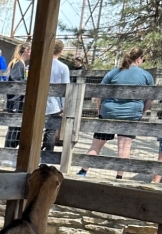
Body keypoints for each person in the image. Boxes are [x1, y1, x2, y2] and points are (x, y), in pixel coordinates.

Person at [79, 46, 154, 180]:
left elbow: (99, 94)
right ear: (139, 59)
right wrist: (141, 112)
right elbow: (150, 100)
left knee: (96, 144)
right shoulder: (146, 75)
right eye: (143, 59)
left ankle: (83, 170)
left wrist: (100, 109)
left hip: (108, 112)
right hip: (131, 115)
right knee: (124, 147)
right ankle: (119, 176)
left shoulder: (113, 73)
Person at [43, 40, 70, 151]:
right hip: (54, 104)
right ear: (61, 51)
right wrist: (64, 107)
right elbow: (65, 89)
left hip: (37, 103)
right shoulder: (63, 68)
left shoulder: (40, 63)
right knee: (51, 131)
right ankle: (47, 158)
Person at [4, 43, 30, 148]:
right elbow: (15, 79)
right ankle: (9, 149)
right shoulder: (18, 63)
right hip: (15, 99)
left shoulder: (21, 63)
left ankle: (12, 148)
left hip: (17, 99)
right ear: (26, 51)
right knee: (14, 126)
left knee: (16, 126)